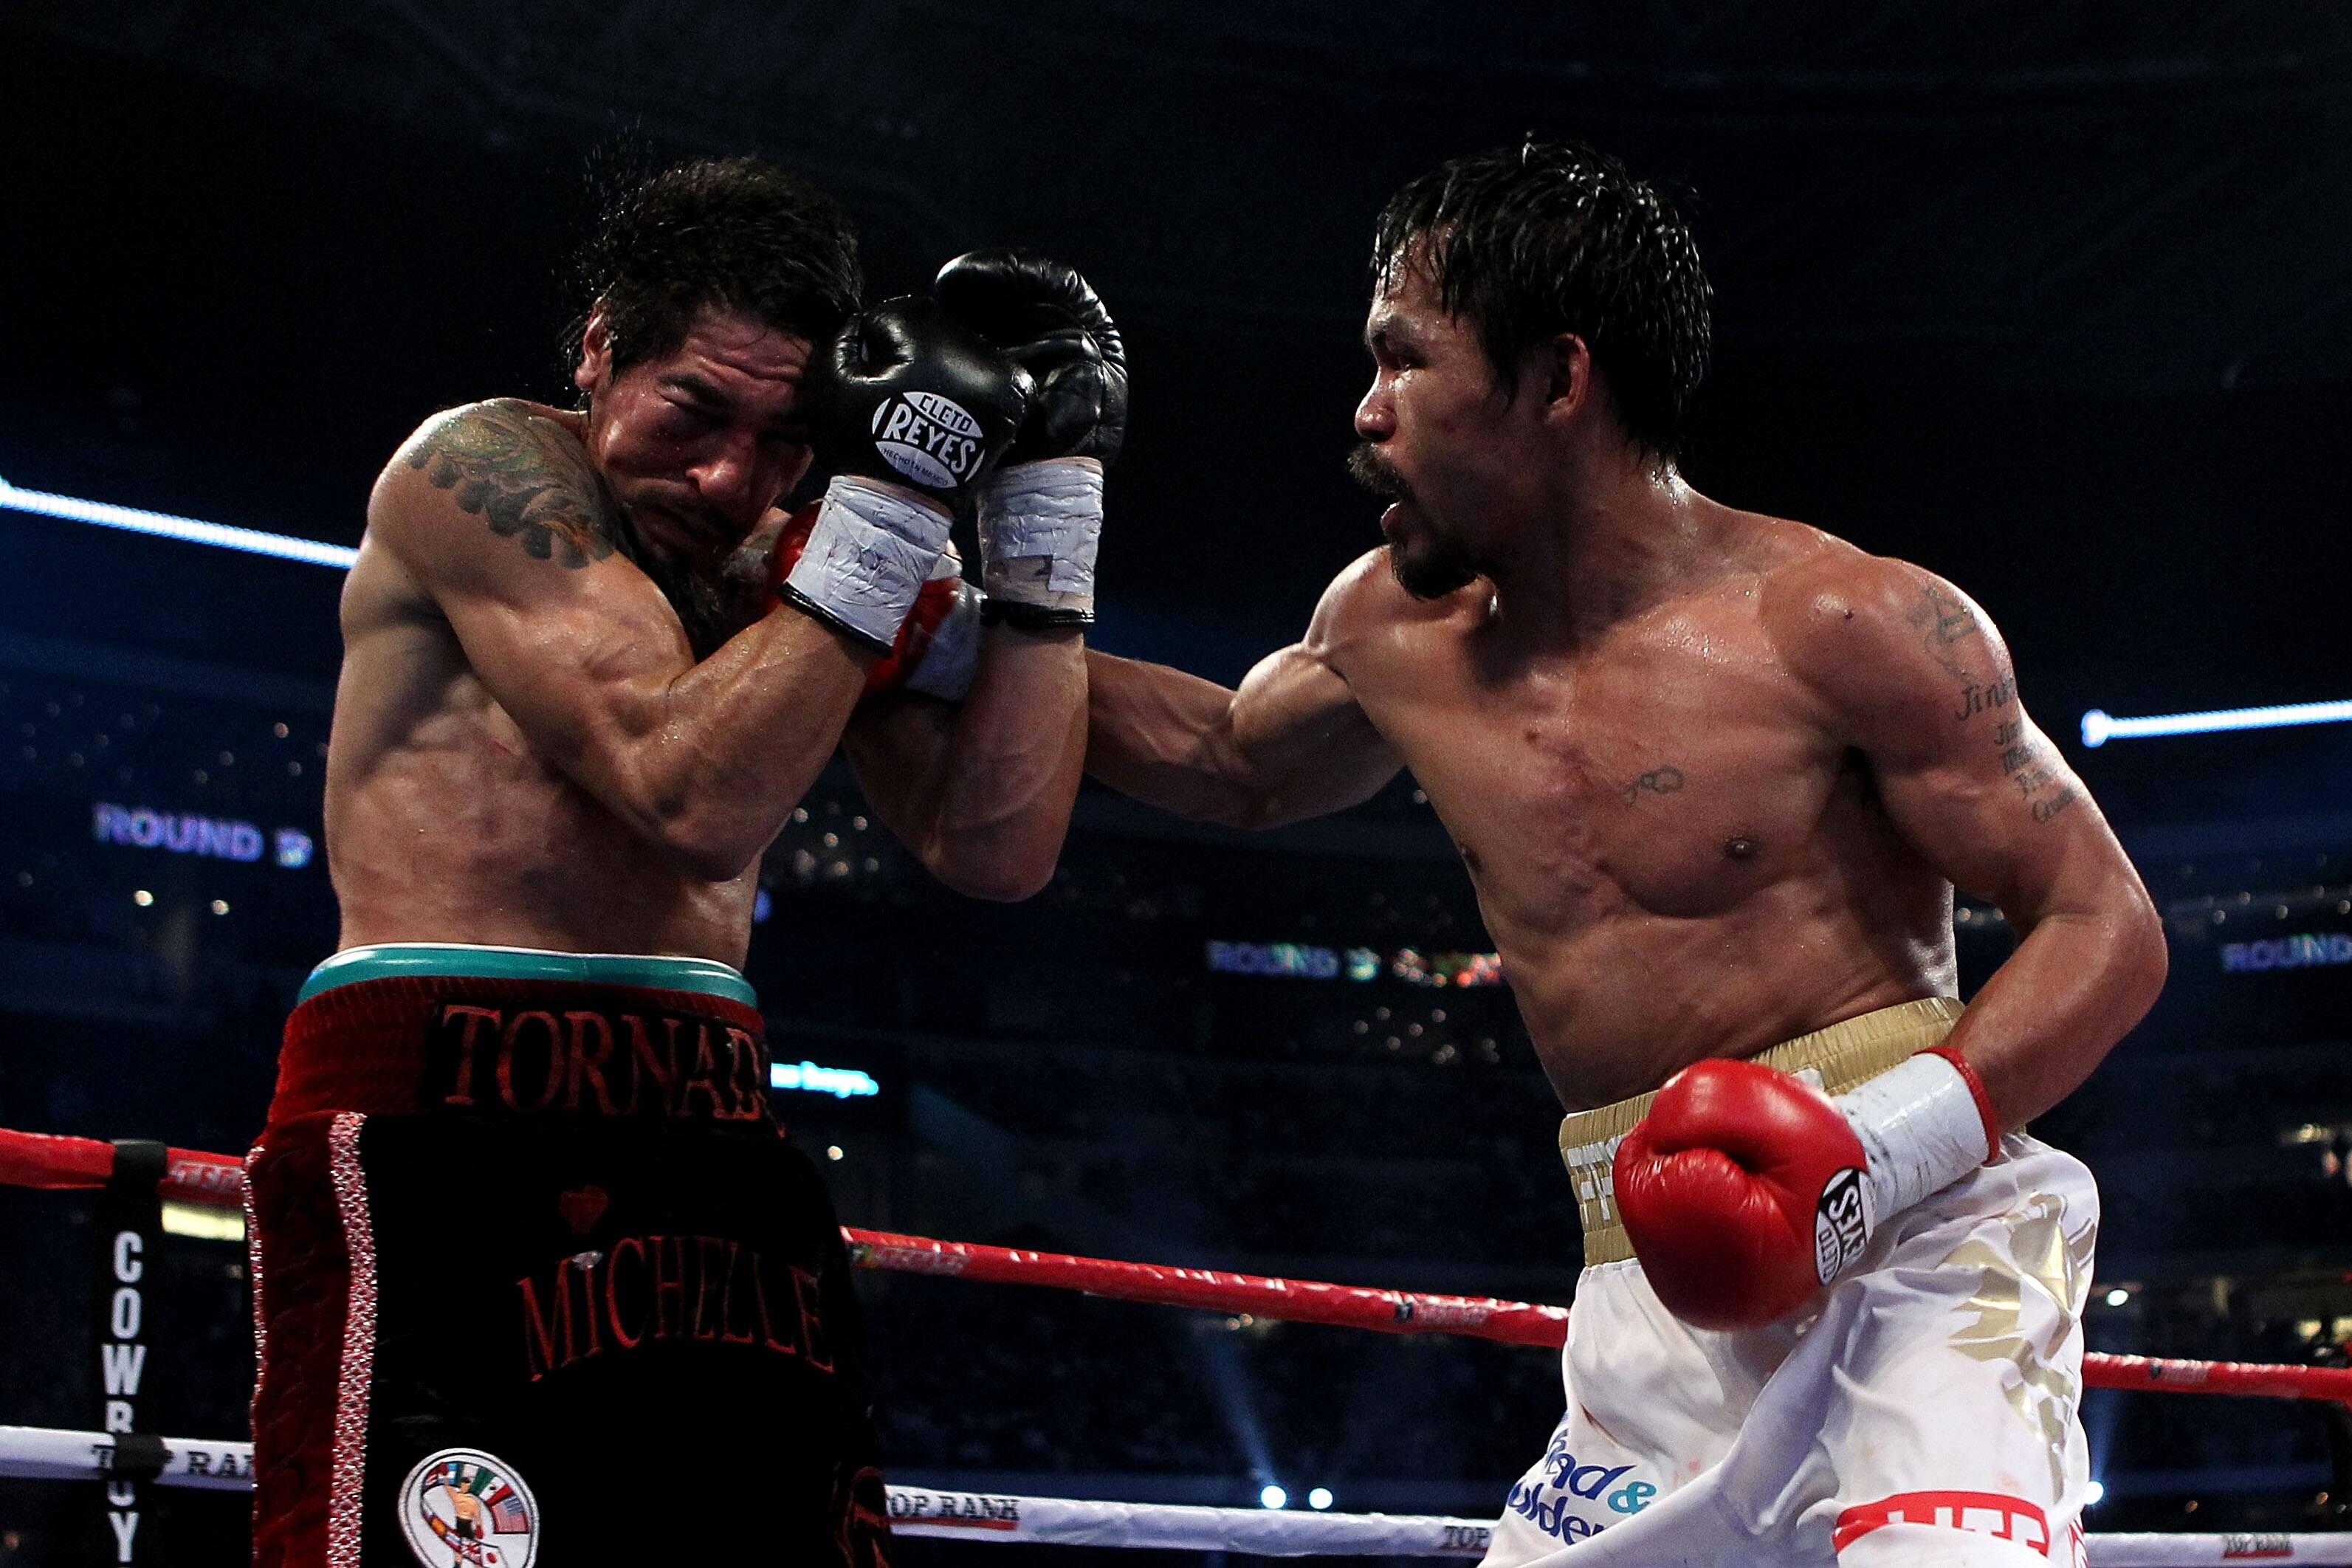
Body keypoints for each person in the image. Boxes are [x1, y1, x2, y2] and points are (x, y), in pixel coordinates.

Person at [1084, 141, 2166, 1567]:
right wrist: (939, 619)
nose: (1366, 411)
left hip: (1921, 1245)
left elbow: (2105, 926)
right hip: (1643, 1286)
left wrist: (1873, 1149)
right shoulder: (1389, 629)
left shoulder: (1841, 621)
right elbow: (1229, 758)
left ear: (1556, 379)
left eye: (1405, 360)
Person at [244, 157, 1123, 1568]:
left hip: (713, 1135)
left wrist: (1047, 513)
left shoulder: (802, 566)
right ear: (600, 349)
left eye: (787, 441)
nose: (729, 479)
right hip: (442, 1127)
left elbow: (998, 843)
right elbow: (686, 791)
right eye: (694, 412)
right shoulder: (477, 470)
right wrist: (888, 505)